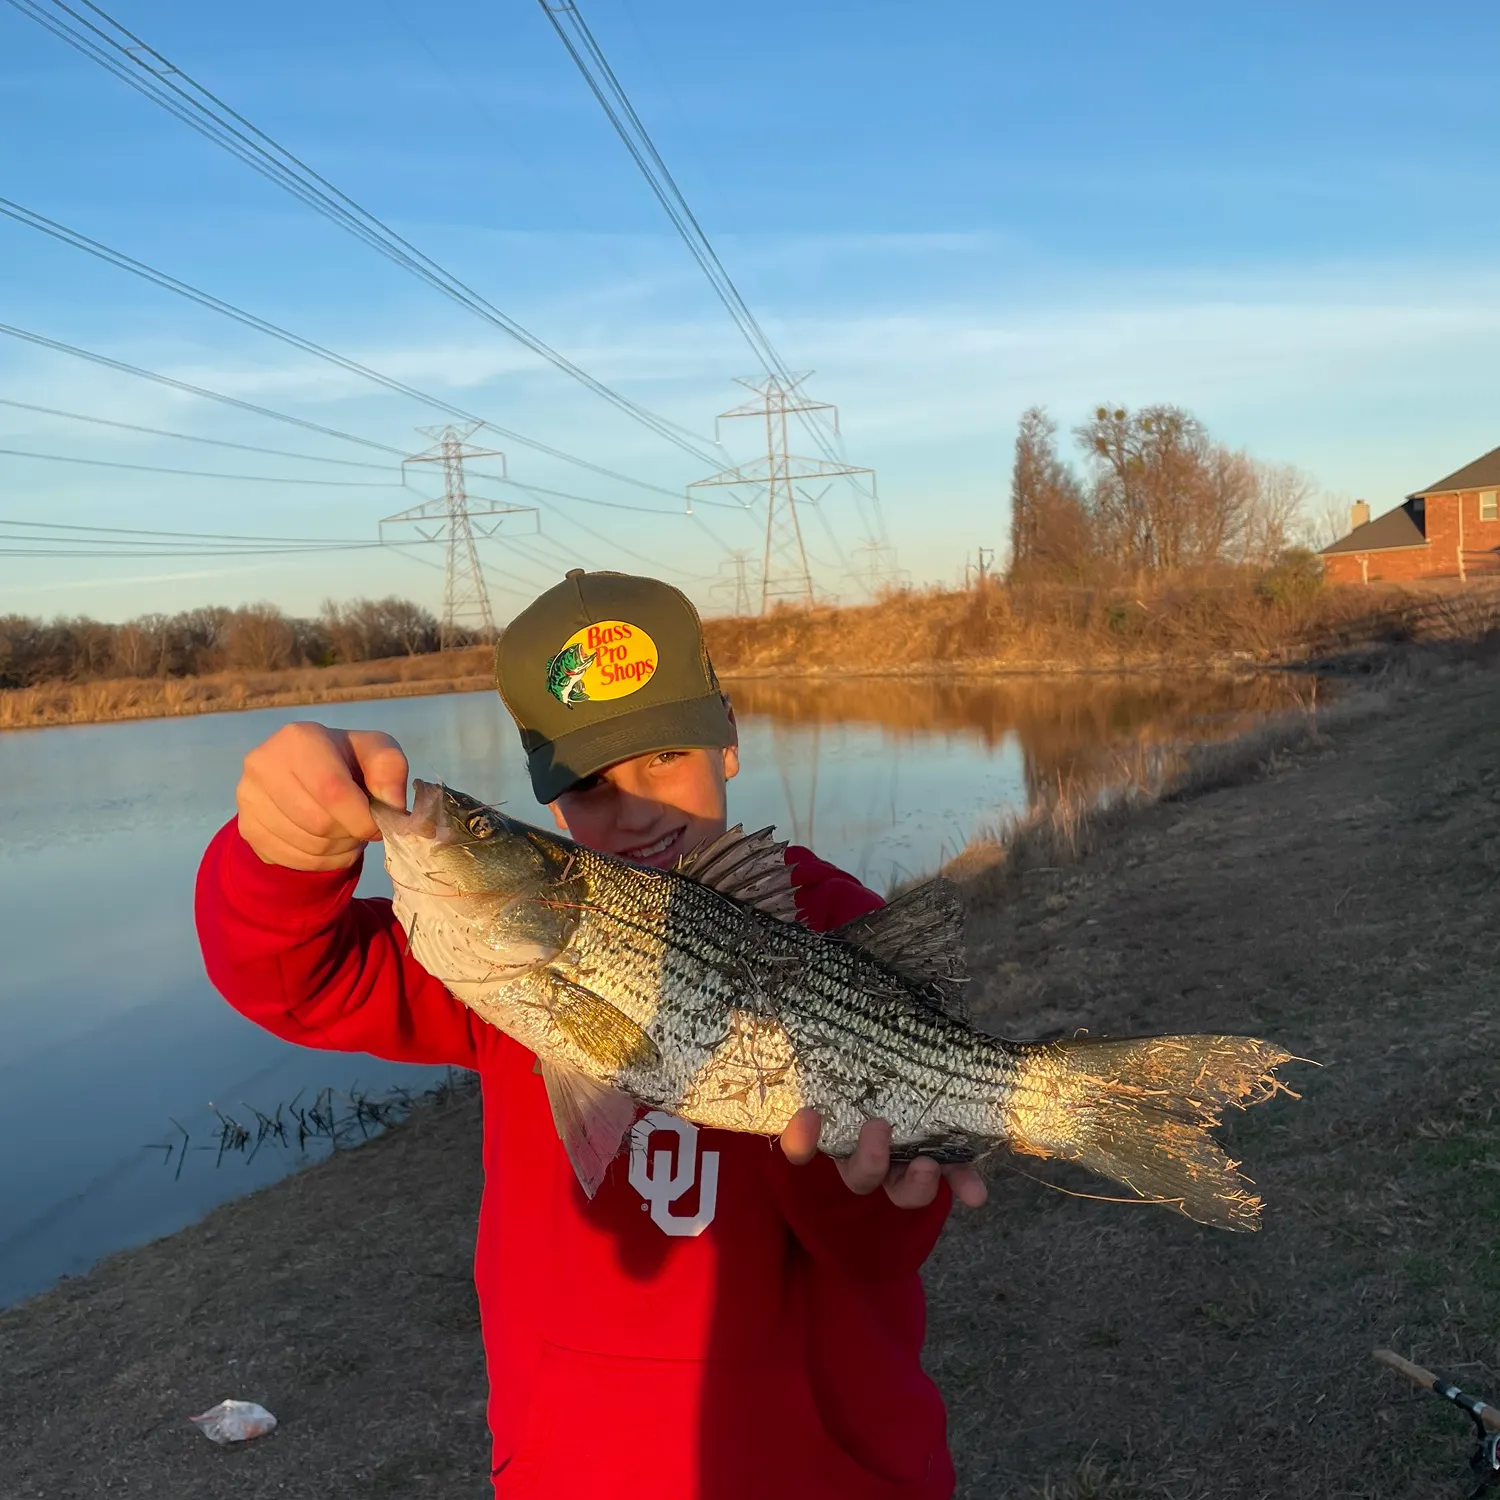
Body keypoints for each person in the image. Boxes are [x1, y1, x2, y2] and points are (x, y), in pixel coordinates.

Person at [196, 569, 985, 1499]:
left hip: (823, 1470)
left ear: (725, 739)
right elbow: (298, 980)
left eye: (664, 758)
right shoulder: (499, 950)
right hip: (573, 1467)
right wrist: (283, 856)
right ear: (550, 803)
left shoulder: (833, 926)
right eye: (591, 785)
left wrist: (863, 1185)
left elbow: (884, 1251)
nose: (638, 807)